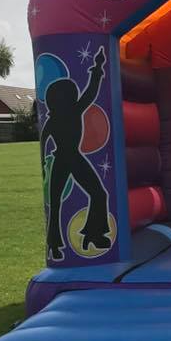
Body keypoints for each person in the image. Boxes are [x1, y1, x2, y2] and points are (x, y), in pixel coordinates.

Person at [40, 46, 110, 260]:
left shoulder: (54, 119)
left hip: (64, 159)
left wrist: (45, 164)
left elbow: (44, 142)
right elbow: (90, 91)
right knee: (96, 193)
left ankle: (62, 244)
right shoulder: (74, 110)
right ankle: (91, 235)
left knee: (57, 202)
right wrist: (97, 67)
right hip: (70, 158)